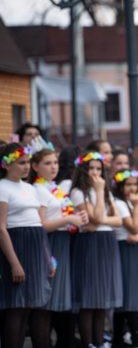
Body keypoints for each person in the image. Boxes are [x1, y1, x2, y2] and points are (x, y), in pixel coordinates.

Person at [30, 146, 89, 347]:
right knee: (46, 301)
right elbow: (41, 224)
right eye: (47, 163)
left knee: (56, 299)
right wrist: (68, 220)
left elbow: (61, 214)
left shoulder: (53, 188)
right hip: (50, 243)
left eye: (55, 162)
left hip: (62, 242)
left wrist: (76, 217)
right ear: (35, 166)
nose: (53, 167)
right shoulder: (38, 190)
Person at [0, 143, 53, 348]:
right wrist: (14, 263)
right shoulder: (3, 187)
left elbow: (38, 224)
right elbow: (1, 228)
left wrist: (47, 258)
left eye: (27, 162)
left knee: (30, 306)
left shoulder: (30, 188)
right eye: (21, 163)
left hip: (35, 246)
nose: (26, 167)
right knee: (16, 307)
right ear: (6, 165)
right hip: (18, 245)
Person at [70, 151, 123, 348]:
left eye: (98, 169)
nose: (95, 173)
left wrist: (101, 220)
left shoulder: (107, 191)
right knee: (89, 297)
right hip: (90, 243)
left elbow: (118, 220)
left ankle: (99, 342)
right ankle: (88, 343)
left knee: (102, 297)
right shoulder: (79, 192)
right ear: (83, 170)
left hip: (106, 240)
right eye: (91, 168)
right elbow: (94, 218)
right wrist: (99, 193)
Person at [110, 169, 138, 348]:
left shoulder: (129, 202)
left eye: (135, 185)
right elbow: (135, 226)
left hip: (133, 246)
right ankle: (133, 339)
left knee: (131, 294)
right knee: (129, 295)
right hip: (124, 249)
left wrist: (137, 237)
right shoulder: (120, 204)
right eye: (128, 184)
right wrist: (137, 208)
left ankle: (122, 339)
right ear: (120, 186)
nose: (132, 188)